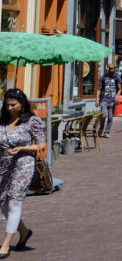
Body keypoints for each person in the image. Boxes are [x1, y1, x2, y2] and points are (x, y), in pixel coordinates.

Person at [0, 88, 44, 257]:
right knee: (3, 204)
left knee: (14, 203)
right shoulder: (2, 122)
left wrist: (22, 148)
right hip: (4, 166)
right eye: (7, 105)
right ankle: (24, 232)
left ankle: (5, 245)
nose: (10, 108)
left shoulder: (31, 121)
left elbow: (41, 145)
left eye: (13, 104)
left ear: (22, 104)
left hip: (23, 164)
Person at [97, 63, 122, 138]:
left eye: (113, 68)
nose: (113, 69)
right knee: (104, 115)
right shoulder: (103, 78)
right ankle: (101, 128)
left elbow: (120, 89)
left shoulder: (117, 77)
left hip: (112, 101)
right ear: (107, 69)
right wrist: (97, 99)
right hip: (103, 100)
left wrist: (117, 96)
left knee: (110, 118)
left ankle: (106, 132)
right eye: (111, 68)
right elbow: (99, 89)